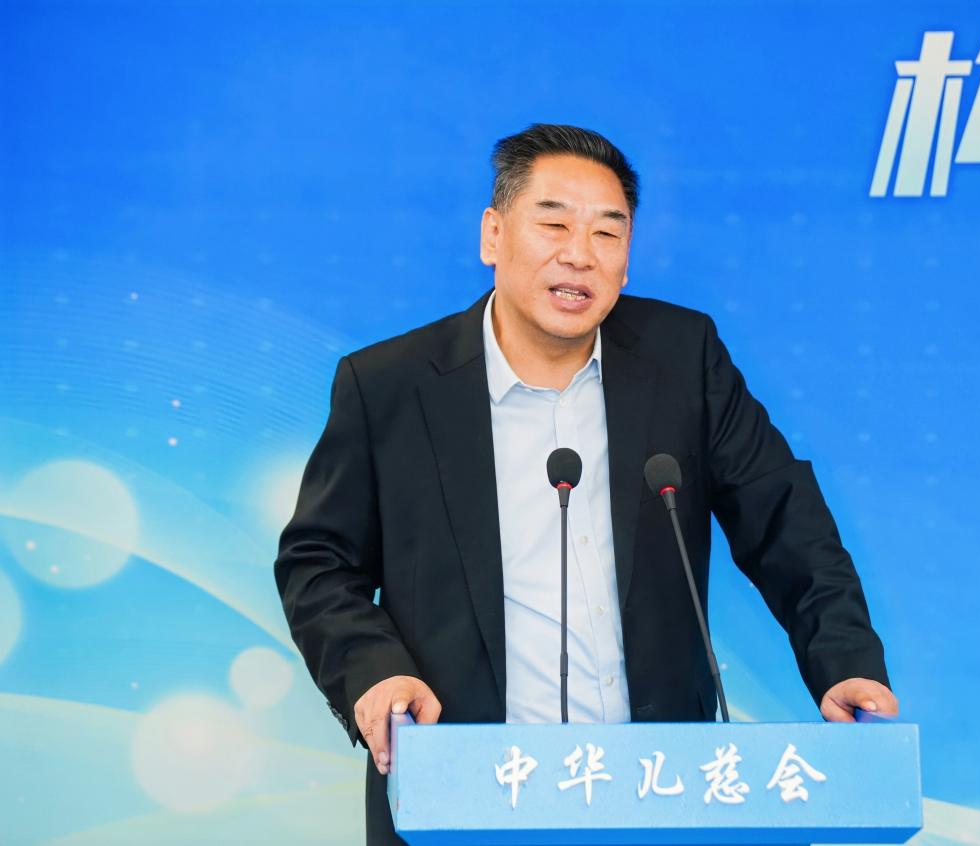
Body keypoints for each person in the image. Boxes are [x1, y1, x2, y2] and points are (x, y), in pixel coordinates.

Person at [275, 123, 897, 845]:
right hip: (467, 798)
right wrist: (375, 674)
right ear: (493, 235)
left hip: (662, 795)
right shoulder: (389, 386)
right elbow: (319, 564)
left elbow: (786, 519)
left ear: (627, 259)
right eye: (553, 224)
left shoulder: (683, 358)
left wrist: (844, 664)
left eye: (607, 232)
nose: (579, 254)